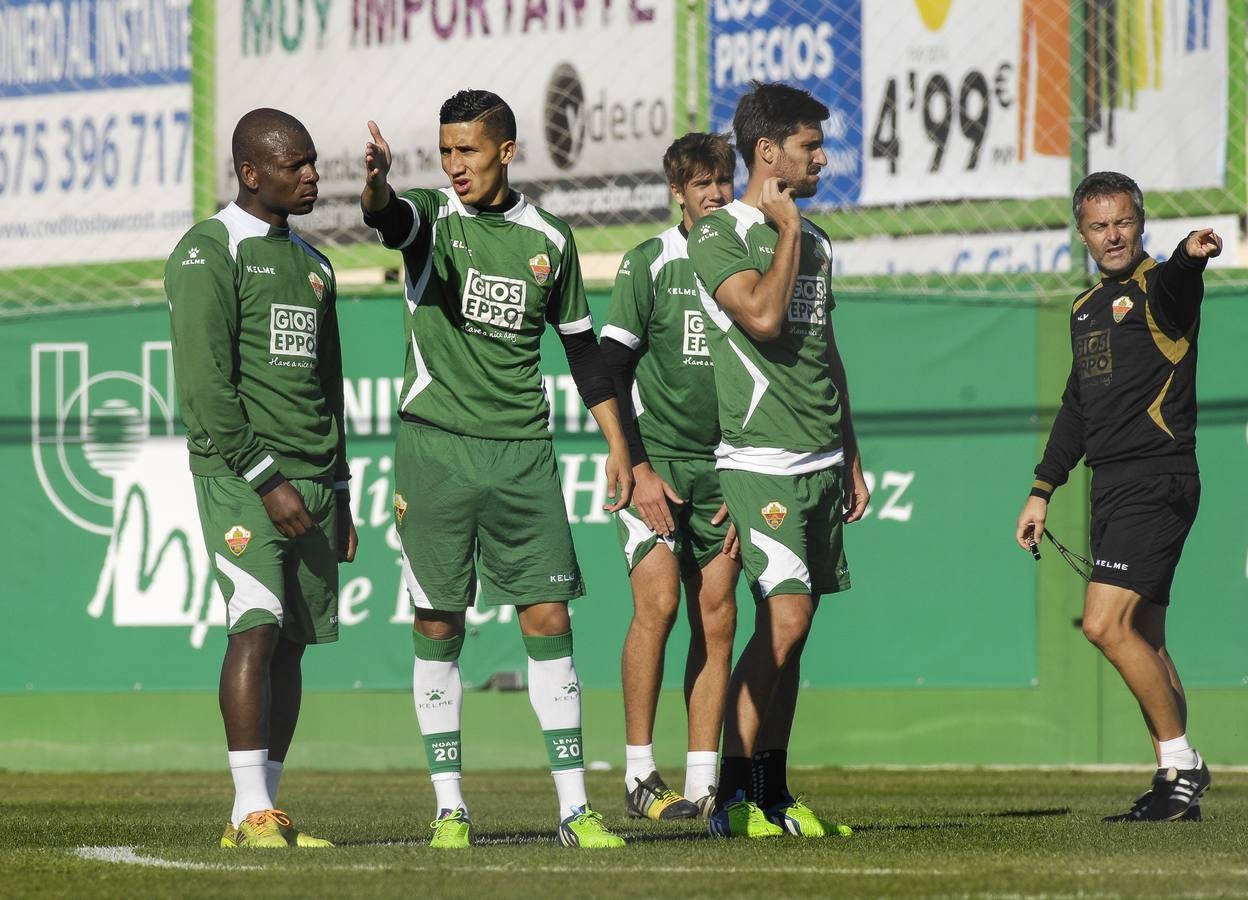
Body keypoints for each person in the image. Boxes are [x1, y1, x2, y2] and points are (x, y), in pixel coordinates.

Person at [360, 90, 633, 850]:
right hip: (436, 450)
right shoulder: (432, 220)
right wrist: (378, 186)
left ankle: (576, 810)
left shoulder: (550, 236)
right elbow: (390, 220)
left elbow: (581, 349)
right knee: (439, 621)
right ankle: (450, 807)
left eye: (469, 152)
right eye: (446, 152)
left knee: (548, 618)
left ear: (506, 152)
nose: (455, 167)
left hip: (524, 456)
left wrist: (618, 443)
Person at [165, 108, 357, 849]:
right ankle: (247, 809)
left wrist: (338, 490)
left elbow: (327, 384)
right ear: (251, 173)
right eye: (295, 165)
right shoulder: (209, 250)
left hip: (312, 483)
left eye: (314, 163)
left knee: (293, 645)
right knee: (255, 628)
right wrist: (266, 477)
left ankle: (265, 811)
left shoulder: (314, 263)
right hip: (243, 478)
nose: (312, 176)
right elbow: (208, 389)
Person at [686, 81, 868, 839]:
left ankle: (773, 793)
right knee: (783, 624)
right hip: (760, 461)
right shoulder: (719, 234)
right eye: (809, 146)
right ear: (769, 153)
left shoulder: (819, 242)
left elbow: (825, 351)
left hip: (824, 462)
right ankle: (732, 793)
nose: (822, 157)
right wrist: (786, 230)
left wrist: (852, 453)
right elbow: (760, 317)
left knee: (793, 638)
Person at [1015, 171, 1221, 823]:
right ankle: (1175, 780)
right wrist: (1041, 489)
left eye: (1124, 222)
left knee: (1104, 624)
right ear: (1082, 232)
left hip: (1155, 480)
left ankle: (1181, 765)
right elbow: (1077, 407)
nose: (1113, 235)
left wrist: (1191, 253)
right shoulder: (1084, 309)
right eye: (1099, 225)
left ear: (1141, 222)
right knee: (1146, 640)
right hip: (1114, 486)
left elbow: (1180, 281)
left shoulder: (1160, 290)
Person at [599, 133, 741, 820]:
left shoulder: (754, 260)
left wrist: (752, 473)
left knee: (718, 619)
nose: (715, 194)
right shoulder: (650, 263)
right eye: (702, 184)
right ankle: (637, 775)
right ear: (677, 193)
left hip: (729, 470)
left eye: (724, 180)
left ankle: (705, 782)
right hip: (654, 462)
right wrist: (640, 466)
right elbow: (608, 371)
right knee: (657, 604)